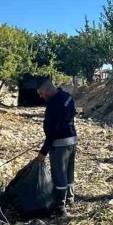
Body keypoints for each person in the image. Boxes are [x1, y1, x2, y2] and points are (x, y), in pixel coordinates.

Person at [35, 78, 77, 215]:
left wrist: (43, 151)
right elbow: (72, 114)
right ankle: (70, 199)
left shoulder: (54, 105)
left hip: (59, 144)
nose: (41, 97)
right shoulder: (67, 97)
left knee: (59, 175)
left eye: (41, 94)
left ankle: (60, 207)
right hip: (72, 140)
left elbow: (52, 131)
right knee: (69, 172)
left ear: (48, 90)